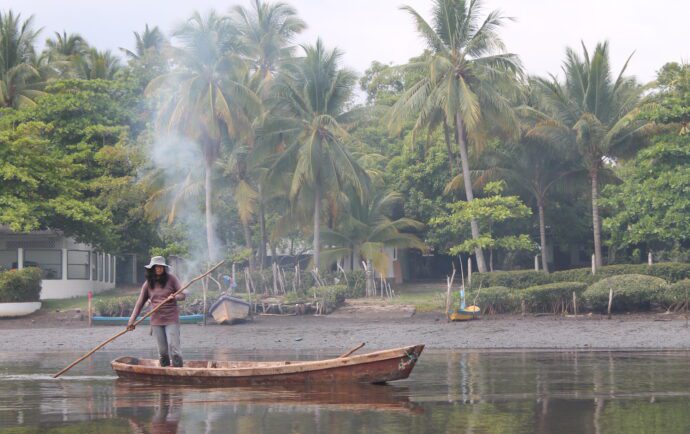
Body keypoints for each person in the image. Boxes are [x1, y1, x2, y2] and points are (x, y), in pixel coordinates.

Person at [127, 256, 186, 368]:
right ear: (152, 268)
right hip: (156, 321)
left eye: (161, 267)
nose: (158, 269)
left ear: (164, 268)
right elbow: (139, 304)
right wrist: (131, 321)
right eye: (156, 267)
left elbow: (182, 295)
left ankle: (178, 371)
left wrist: (174, 297)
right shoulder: (147, 284)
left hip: (171, 319)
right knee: (163, 352)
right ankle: (164, 372)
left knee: (174, 349)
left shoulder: (172, 279)